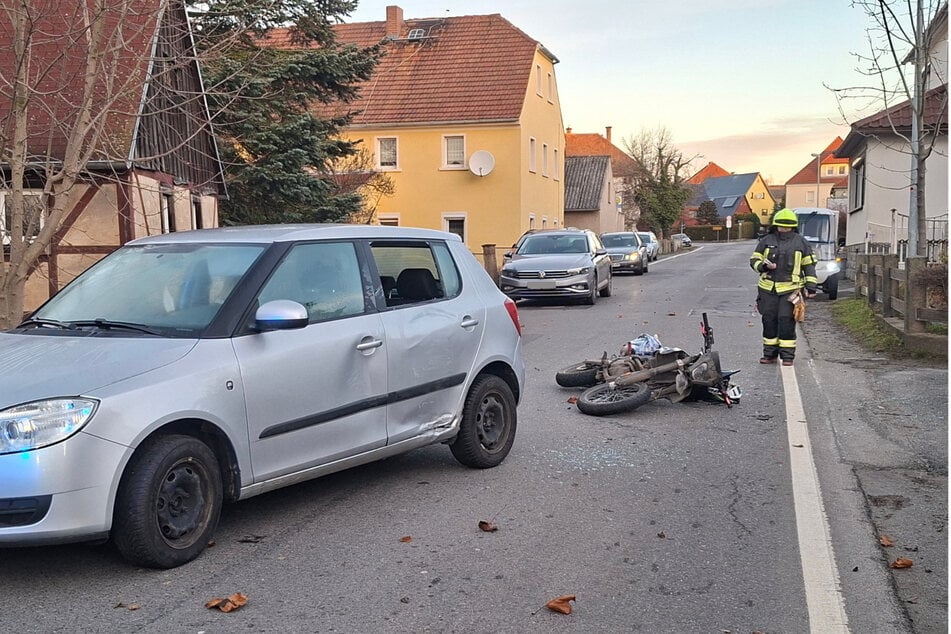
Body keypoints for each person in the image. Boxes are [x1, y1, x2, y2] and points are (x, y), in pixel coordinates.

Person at [749, 209, 818, 366]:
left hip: (790, 291)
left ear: (793, 227)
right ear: (775, 226)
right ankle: (769, 354)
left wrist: (811, 287)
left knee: (786, 321)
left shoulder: (801, 242)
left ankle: (787, 357)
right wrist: (764, 267)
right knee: (769, 321)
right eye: (781, 227)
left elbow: (809, 266)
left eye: (787, 227)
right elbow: (754, 260)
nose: (784, 230)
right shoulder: (766, 241)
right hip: (768, 290)